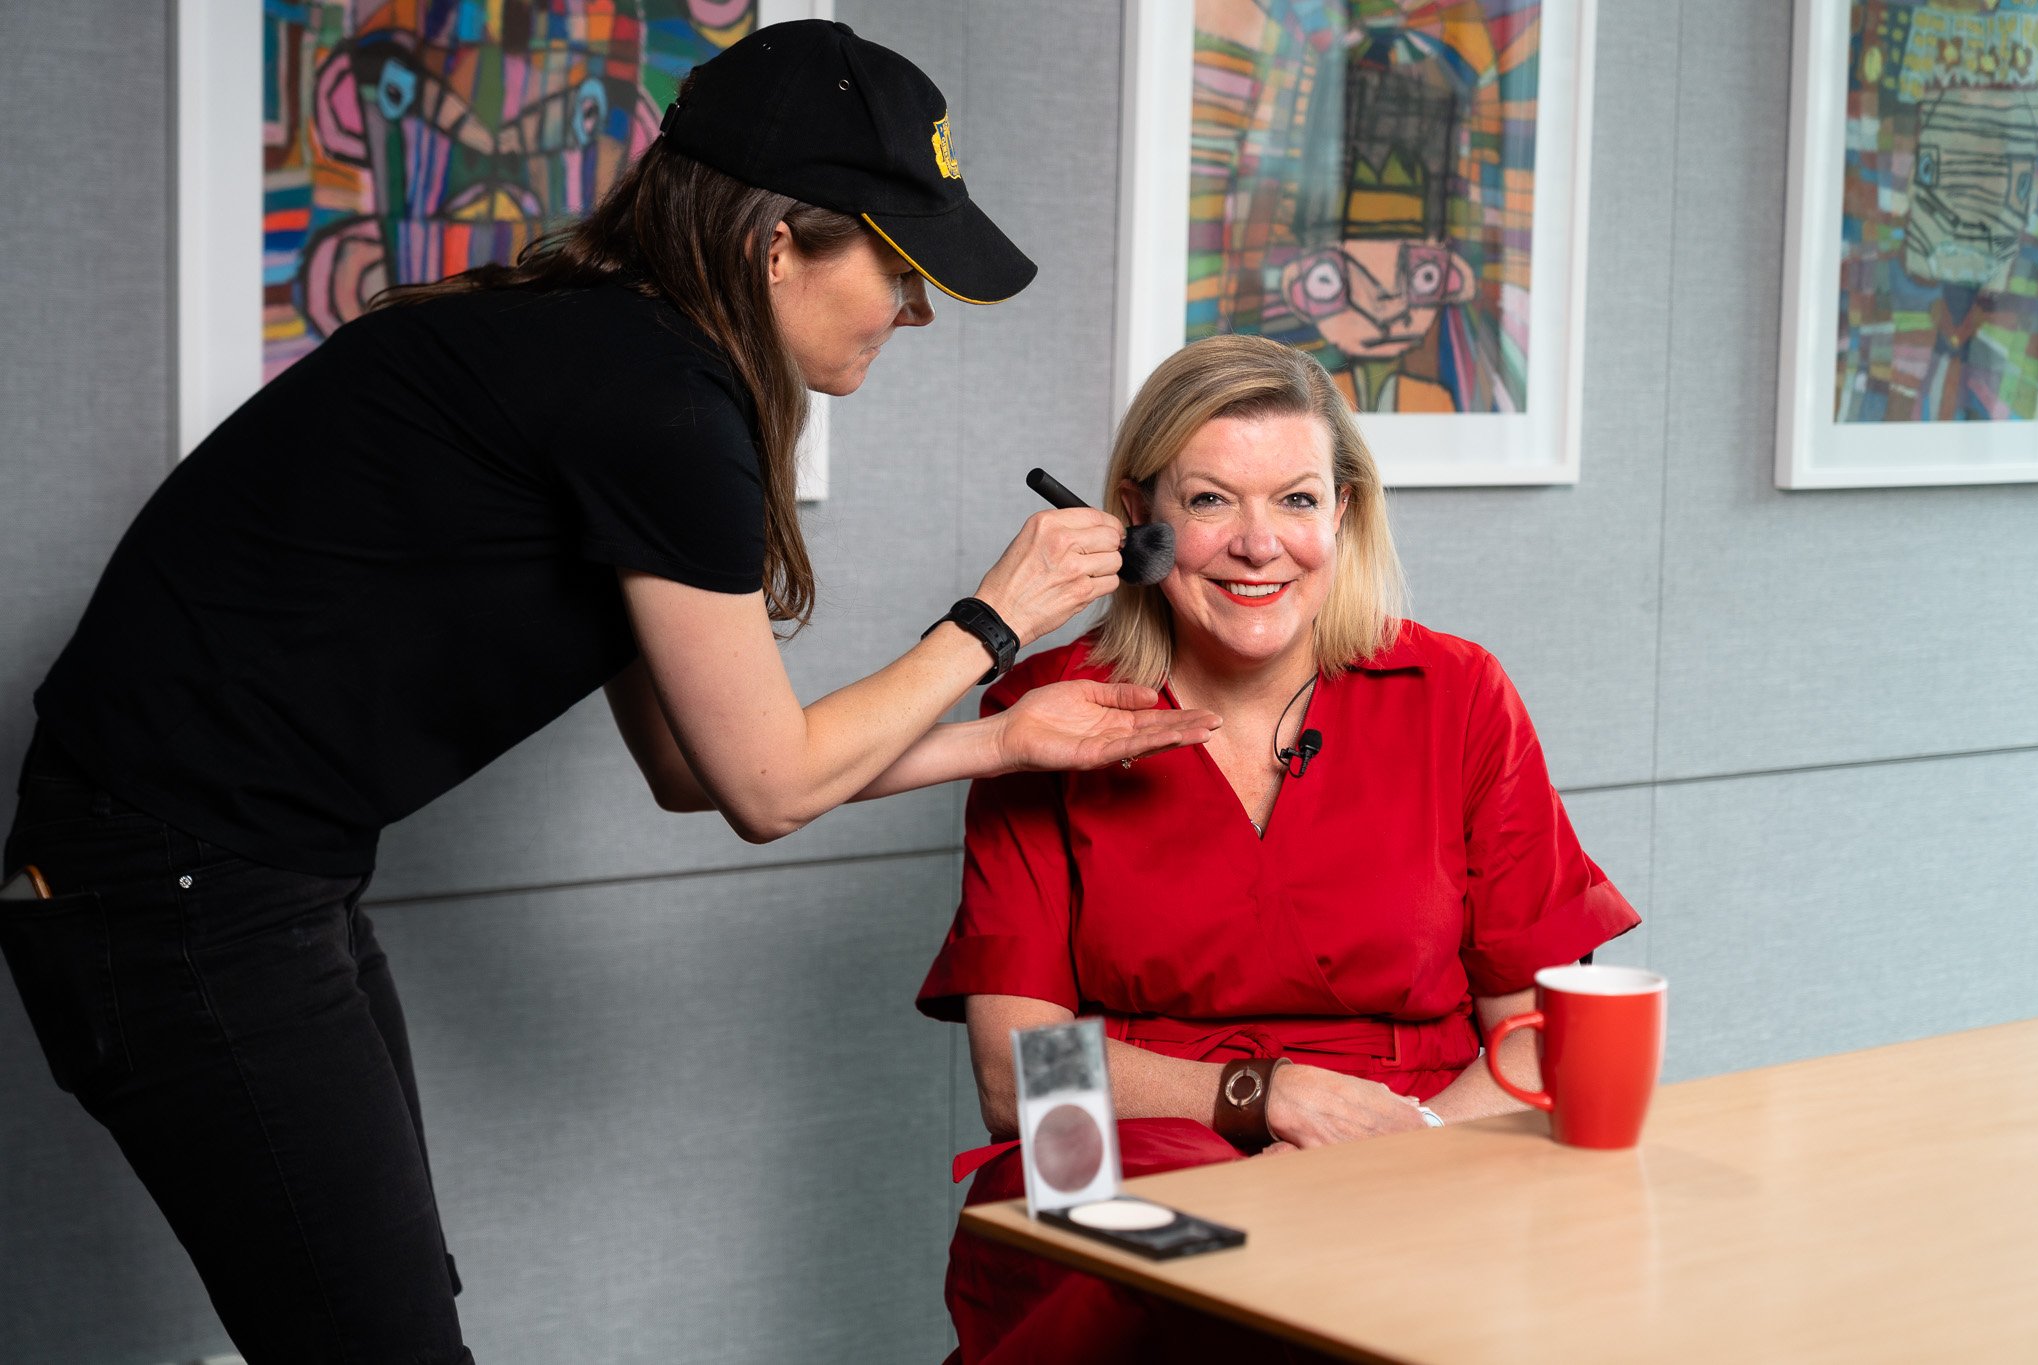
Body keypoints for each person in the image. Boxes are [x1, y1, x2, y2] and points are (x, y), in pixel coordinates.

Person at [0, 21, 1217, 1365]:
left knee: (384, 1324)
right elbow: (767, 788)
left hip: (237, 873)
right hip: (174, 889)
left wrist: (1005, 739)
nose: (914, 311)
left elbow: (700, 769)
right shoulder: (656, 400)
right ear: (777, 245)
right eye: (897, 268)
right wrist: (995, 621)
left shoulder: (607, 351)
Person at [916, 333, 1641, 1364]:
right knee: (1219, 1295)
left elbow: (1540, 1036)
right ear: (1136, 515)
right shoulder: (1046, 712)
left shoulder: (1458, 693)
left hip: (1420, 1139)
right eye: (1210, 500)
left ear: (1341, 512)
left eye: (1295, 500)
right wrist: (1265, 1096)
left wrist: (1400, 1158)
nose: (1259, 545)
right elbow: (1015, 1075)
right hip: (1105, 1145)